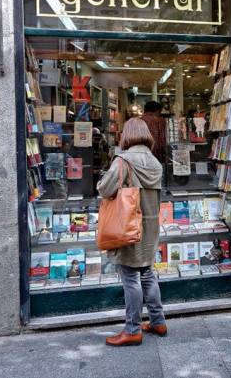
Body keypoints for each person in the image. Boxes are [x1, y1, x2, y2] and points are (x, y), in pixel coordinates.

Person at [97, 117, 166, 347]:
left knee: (130, 279)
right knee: (147, 274)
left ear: (127, 135)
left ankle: (133, 329)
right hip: (150, 227)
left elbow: (105, 189)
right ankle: (158, 321)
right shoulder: (155, 163)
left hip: (127, 227)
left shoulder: (123, 160)